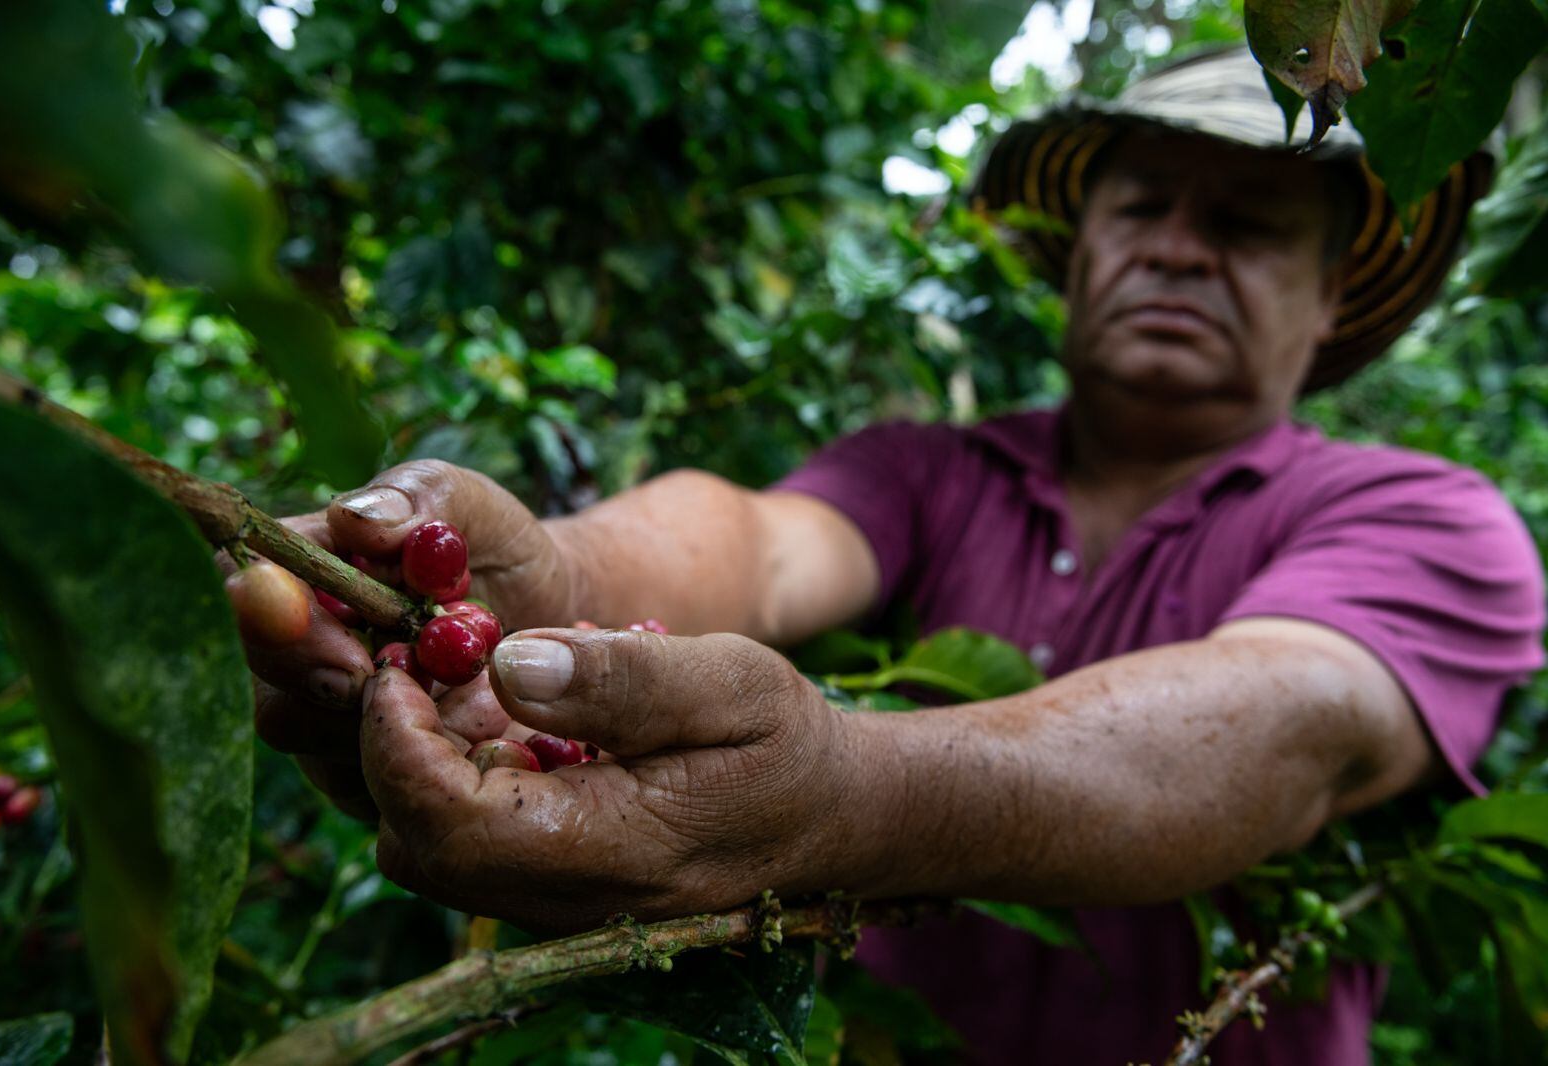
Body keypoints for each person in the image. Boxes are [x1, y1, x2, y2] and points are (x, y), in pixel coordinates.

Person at [238, 49, 1544, 1064]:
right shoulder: (929, 472)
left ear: (1330, 297)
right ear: (1075, 254)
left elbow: (1278, 720)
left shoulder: (1425, 519)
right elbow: (755, 543)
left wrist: (849, 793)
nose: (1182, 247)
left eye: (1251, 224)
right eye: (1143, 204)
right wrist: (550, 580)